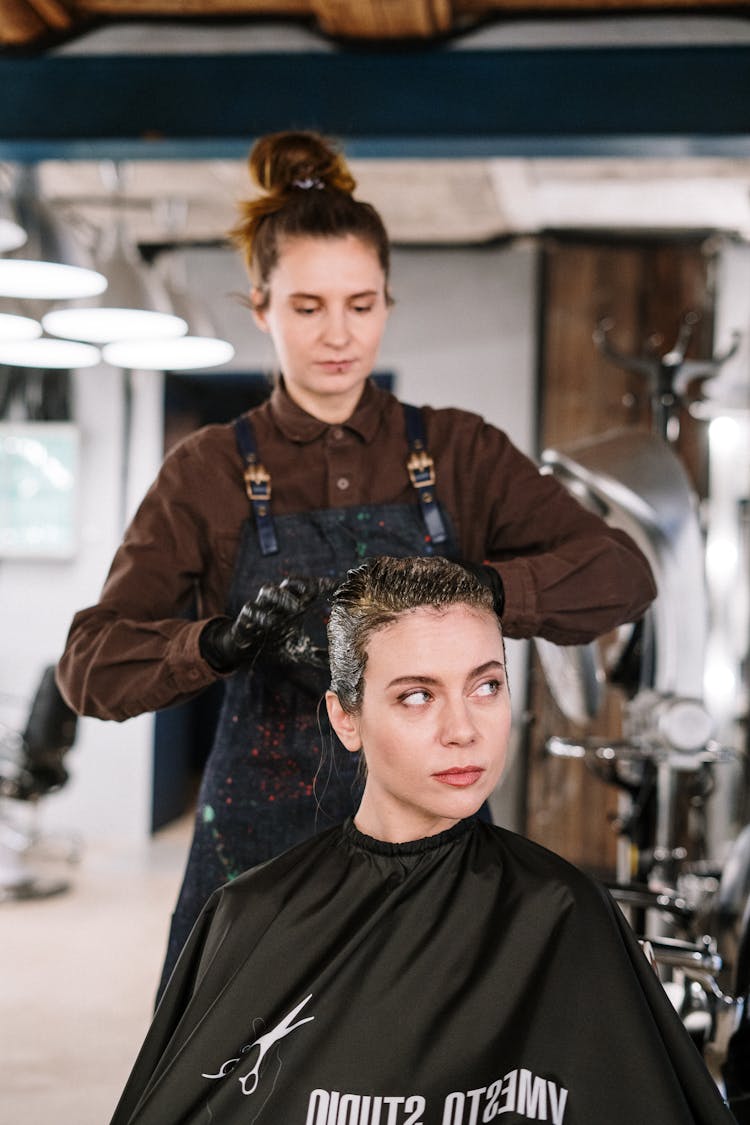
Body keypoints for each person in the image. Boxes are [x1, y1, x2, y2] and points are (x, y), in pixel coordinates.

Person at [55, 130, 656, 992]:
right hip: (259, 854)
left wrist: (484, 589)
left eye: (361, 303)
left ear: (387, 303)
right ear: (261, 306)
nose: (338, 334)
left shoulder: (458, 452)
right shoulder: (210, 472)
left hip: (428, 848)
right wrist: (219, 643)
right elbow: (89, 668)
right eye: (307, 307)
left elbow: (623, 574)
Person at [109, 556, 731, 1125]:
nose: (463, 730)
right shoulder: (251, 917)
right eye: (416, 696)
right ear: (345, 718)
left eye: (487, 686)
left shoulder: (565, 913)